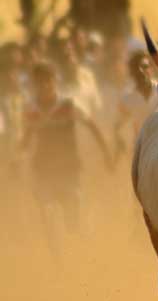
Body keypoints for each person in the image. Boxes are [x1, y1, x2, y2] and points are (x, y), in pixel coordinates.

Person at [23, 62, 111, 231]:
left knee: (72, 212)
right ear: (35, 85)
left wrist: (106, 154)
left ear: (55, 81)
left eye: (48, 81)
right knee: (46, 210)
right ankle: (54, 251)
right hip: (43, 167)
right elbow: (27, 137)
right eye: (40, 82)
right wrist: (17, 158)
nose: (44, 86)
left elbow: (92, 127)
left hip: (68, 166)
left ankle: (75, 242)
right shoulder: (30, 109)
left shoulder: (68, 104)